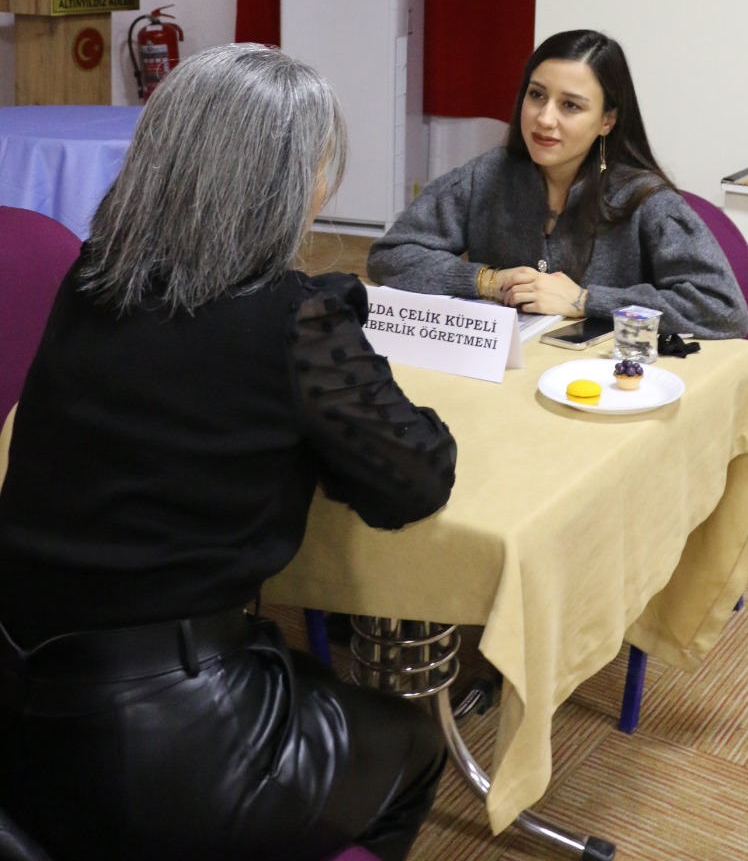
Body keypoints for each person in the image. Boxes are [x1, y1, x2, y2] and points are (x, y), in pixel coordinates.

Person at [0, 44, 456, 861]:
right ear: (284, 184)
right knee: (415, 746)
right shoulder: (293, 323)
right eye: (318, 168)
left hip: (17, 691)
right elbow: (413, 481)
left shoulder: (91, 278)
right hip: (160, 738)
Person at [368, 28, 748, 340]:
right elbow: (391, 255)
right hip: (506, 375)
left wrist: (585, 300)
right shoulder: (488, 174)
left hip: (607, 386)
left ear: (607, 121)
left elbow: (722, 310)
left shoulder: (646, 200)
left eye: (571, 105)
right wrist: (487, 280)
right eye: (536, 95)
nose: (544, 119)